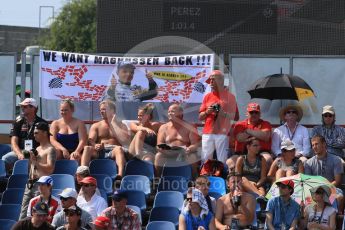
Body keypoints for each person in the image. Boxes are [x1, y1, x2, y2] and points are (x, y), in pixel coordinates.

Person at [199, 70, 239, 164]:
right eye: (210, 80)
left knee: (222, 160)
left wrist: (223, 114)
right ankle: (205, 177)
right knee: (205, 159)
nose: (211, 83)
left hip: (223, 133)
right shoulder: (207, 96)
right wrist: (207, 112)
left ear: (221, 80)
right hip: (208, 132)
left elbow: (236, 117)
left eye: (213, 80)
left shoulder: (230, 97)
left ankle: (222, 177)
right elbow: (200, 117)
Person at [19, 122, 56, 220]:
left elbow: (50, 169)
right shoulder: (37, 149)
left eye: (36, 133)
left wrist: (36, 162)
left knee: (39, 215)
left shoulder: (50, 149)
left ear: (44, 133)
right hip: (30, 184)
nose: (34, 135)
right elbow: (31, 168)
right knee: (23, 215)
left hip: (41, 185)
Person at [154, 103, 201, 177]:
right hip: (168, 153)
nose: (169, 113)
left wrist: (189, 149)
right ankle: (157, 179)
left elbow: (195, 144)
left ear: (181, 114)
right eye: (168, 111)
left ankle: (195, 179)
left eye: (172, 111)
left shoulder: (190, 127)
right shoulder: (163, 127)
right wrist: (164, 150)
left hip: (184, 153)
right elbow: (159, 145)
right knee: (158, 156)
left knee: (192, 156)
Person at [2, 98, 47, 172]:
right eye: (22, 106)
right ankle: (5, 180)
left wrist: (36, 153)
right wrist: (19, 153)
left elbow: (46, 143)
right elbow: (13, 141)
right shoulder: (18, 121)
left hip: (37, 152)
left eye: (25, 107)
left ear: (33, 108)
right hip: (21, 151)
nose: (22, 108)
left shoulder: (42, 123)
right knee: (5, 159)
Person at [304, 135, 344, 213]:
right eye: (313, 145)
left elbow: (337, 181)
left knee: (339, 197)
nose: (314, 147)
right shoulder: (308, 163)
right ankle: (308, 219)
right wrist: (318, 191)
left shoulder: (336, 160)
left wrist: (325, 190)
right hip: (314, 192)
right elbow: (308, 182)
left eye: (316, 144)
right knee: (305, 200)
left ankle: (336, 220)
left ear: (324, 144)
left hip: (332, 190)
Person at [227, 102, 272, 170]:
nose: (254, 114)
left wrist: (248, 131)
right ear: (247, 114)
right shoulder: (240, 124)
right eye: (251, 112)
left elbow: (265, 137)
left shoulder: (265, 124)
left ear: (260, 114)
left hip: (261, 152)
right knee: (230, 161)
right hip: (242, 153)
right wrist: (257, 134)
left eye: (256, 112)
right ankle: (234, 179)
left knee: (268, 159)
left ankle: (264, 179)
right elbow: (240, 138)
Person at [81, 100, 124, 166]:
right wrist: (95, 145)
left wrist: (114, 124)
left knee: (119, 149)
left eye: (104, 109)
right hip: (99, 151)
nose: (101, 112)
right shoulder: (96, 125)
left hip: (114, 151)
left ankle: (120, 175)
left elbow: (124, 140)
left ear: (112, 111)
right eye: (101, 110)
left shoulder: (121, 125)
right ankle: (83, 172)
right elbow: (90, 140)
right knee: (87, 148)